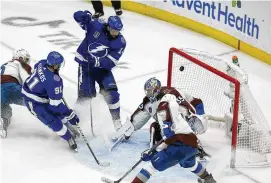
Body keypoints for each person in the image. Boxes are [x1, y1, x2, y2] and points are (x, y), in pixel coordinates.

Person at [130, 78, 216, 183]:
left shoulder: (163, 108)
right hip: (192, 143)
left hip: (180, 146)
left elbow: (169, 137)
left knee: (151, 167)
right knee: (190, 163)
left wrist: (153, 152)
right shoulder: (174, 107)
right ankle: (208, 179)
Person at [73, 10, 126, 131]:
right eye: (113, 30)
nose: (115, 33)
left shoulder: (120, 42)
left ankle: (117, 122)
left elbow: (111, 62)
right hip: (85, 67)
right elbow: (76, 16)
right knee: (86, 94)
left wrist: (97, 62)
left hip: (102, 70)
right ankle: (73, 122)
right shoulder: (95, 25)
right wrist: (85, 16)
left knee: (112, 94)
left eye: (118, 31)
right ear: (108, 27)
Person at [112, 77, 208, 142]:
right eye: (147, 91)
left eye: (150, 91)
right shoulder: (147, 102)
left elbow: (186, 108)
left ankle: (191, 141)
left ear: (156, 89)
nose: (148, 94)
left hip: (187, 118)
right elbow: (139, 117)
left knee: (184, 132)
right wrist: (128, 129)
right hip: (168, 125)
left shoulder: (171, 93)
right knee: (154, 130)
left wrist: (193, 120)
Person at [22, 51, 80, 151]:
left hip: (40, 95)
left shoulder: (42, 63)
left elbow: (36, 68)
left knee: (59, 115)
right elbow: (55, 105)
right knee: (53, 122)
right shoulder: (54, 81)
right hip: (33, 102)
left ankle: (69, 127)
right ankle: (69, 138)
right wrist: (69, 114)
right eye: (59, 64)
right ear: (54, 65)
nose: (60, 66)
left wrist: (51, 91)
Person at [0, 48, 32, 138]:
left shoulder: (5, 64)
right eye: (26, 59)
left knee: (5, 108)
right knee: (34, 101)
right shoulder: (20, 63)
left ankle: (2, 124)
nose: (26, 62)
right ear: (21, 58)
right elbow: (27, 81)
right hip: (10, 88)